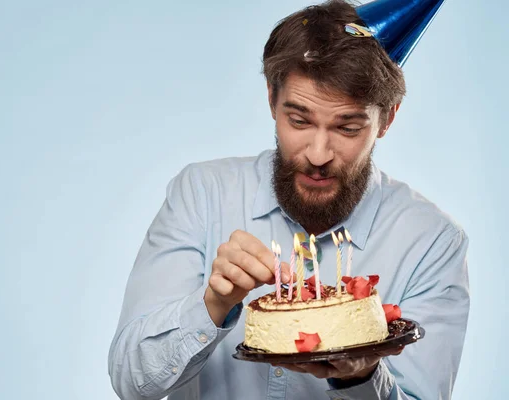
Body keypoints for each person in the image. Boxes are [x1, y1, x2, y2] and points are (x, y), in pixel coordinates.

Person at [108, 0, 469, 399]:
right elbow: (131, 382)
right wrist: (212, 304)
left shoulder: (432, 241)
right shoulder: (201, 193)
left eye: (347, 127)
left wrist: (358, 377)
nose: (318, 154)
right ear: (271, 100)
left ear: (387, 119)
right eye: (298, 120)